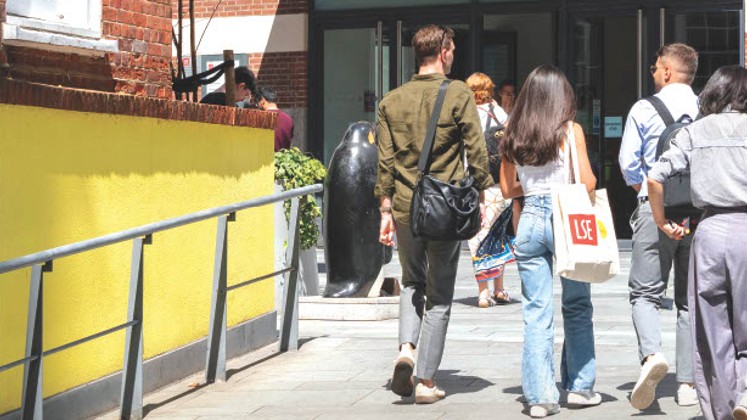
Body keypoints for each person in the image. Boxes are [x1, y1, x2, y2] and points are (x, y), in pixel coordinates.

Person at [375, 24, 491, 404]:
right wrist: (482, 191)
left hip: (406, 209)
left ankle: (406, 348)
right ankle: (425, 381)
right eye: (452, 47)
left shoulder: (390, 101)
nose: (454, 53)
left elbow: (385, 163)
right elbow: (476, 149)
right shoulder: (457, 93)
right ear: (443, 51)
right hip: (444, 208)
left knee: (412, 283)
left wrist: (385, 209)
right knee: (439, 296)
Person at [499, 65, 601, 418]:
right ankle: (579, 387)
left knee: (536, 311)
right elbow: (586, 182)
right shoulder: (570, 132)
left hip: (529, 221)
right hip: (565, 218)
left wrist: (533, 184)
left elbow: (507, 188)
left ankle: (541, 397)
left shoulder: (514, 133)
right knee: (576, 305)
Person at [647, 65, 747, 420]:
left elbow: (655, 177)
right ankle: (746, 391)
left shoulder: (695, 130)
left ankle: (721, 410)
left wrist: (661, 221)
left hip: (710, 231)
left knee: (711, 329)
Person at [618, 43, 700, 409]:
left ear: (667, 71)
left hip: (656, 211)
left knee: (645, 293)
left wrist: (649, 197)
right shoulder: (706, 109)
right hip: (698, 214)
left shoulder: (643, 108)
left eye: (654, 68)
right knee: (688, 299)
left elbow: (628, 164)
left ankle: (652, 356)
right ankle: (687, 384)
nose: (652, 73)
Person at [465, 72, 512, 307]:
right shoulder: (498, 113)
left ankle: (483, 292)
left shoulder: (465, 114)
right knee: (498, 236)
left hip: (474, 186)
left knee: (478, 238)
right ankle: (500, 289)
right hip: (499, 185)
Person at [256, 86, 294, 151]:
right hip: (282, 159)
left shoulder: (259, 118)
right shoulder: (288, 119)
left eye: (257, 103)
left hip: (263, 159)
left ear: (262, 100)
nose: (257, 105)